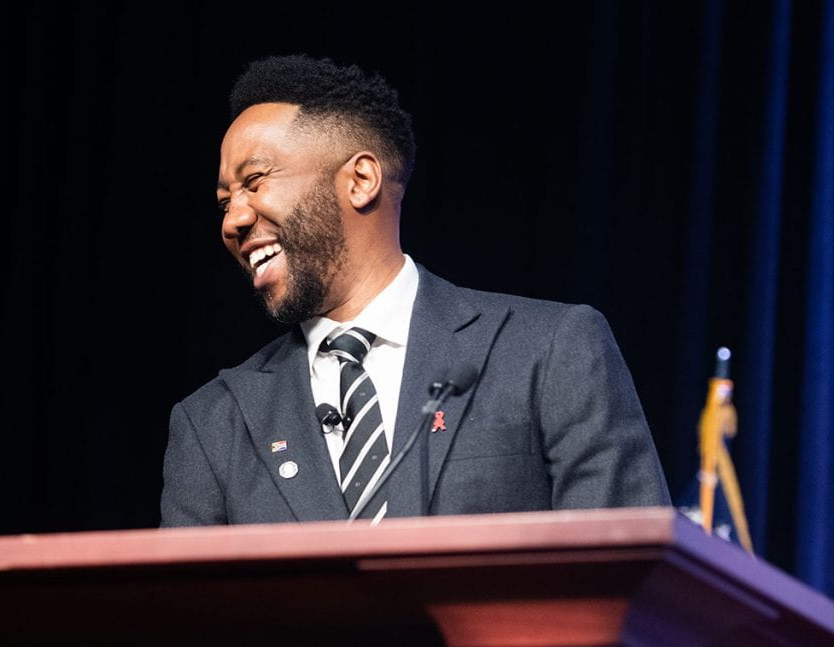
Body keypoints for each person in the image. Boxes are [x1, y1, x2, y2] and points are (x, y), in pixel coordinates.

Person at [160, 55, 670, 527]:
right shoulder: (212, 422)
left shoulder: (547, 350)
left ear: (361, 179)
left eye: (255, 181)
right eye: (225, 201)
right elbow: (185, 618)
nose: (235, 219)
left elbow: (631, 582)